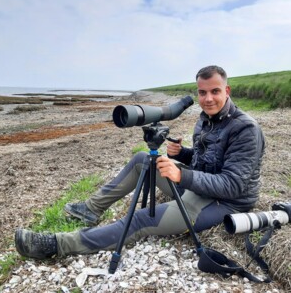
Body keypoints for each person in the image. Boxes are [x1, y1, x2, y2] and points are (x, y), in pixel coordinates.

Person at [15, 65, 265, 259]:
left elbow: (233, 185)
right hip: (199, 186)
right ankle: (91, 210)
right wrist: (183, 154)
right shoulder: (206, 118)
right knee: (141, 160)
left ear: (227, 91)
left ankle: (57, 244)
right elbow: (208, 161)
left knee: (142, 218)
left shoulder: (245, 129)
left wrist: (182, 176)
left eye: (215, 91)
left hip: (225, 202)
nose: (208, 98)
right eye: (202, 92)